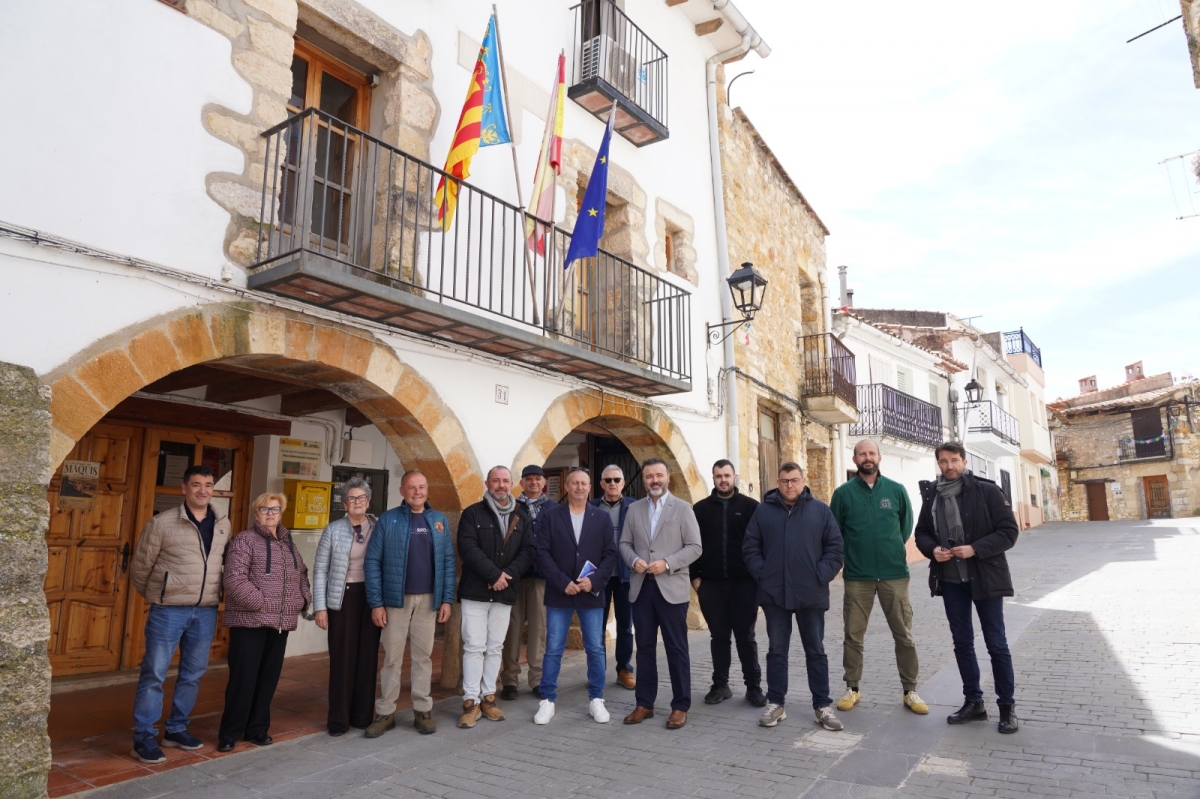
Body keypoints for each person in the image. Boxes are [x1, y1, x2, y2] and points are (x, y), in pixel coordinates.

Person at [915, 441, 1020, 734]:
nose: (949, 466)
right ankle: (974, 702)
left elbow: (1009, 533)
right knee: (962, 643)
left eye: (954, 460)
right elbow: (921, 532)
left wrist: (975, 548)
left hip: (986, 578)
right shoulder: (933, 496)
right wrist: (933, 549)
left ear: (964, 462)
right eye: (943, 461)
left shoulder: (986, 491)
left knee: (996, 643)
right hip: (950, 581)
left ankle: (1007, 707)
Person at [128, 465, 232, 763]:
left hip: (206, 610)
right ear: (184, 488)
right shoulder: (162, 523)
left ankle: (175, 729)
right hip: (168, 610)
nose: (203, 490)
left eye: (208, 484)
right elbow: (140, 568)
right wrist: (159, 595)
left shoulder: (223, 524)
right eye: (196, 484)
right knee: (154, 674)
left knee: (193, 675)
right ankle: (143, 736)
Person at [744, 462, 844, 732]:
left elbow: (835, 548)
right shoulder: (763, 511)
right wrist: (763, 573)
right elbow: (750, 546)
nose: (790, 485)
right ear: (778, 482)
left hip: (810, 593)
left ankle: (822, 705)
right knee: (777, 651)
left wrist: (819, 575)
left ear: (803, 480)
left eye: (794, 480)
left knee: (816, 651)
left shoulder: (820, 511)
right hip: (774, 594)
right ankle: (776, 703)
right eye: (785, 480)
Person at [829, 439, 926, 716]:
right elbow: (835, 532)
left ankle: (910, 690)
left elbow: (905, 526)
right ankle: (852, 688)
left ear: (879, 457)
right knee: (853, 635)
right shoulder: (843, 494)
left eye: (871, 453)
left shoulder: (896, 490)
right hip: (858, 577)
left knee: (904, 635)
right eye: (862, 453)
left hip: (894, 575)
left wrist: (891, 548)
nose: (867, 457)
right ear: (855, 459)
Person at [364, 469, 456, 737]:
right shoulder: (389, 520)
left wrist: (447, 599)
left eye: (422, 487)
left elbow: (448, 561)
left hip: (428, 600)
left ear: (427, 490)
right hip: (395, 600)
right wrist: (376, 603)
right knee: (392, 658)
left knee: (423, 657)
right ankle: (385, 712)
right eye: (412, 487)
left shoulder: (438, 520)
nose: (417, 492)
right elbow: (372, 561)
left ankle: (422, 709)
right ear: (402, 492)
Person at [217, 492, 312, 751]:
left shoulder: (288, 543)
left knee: (268, 678)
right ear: (255, 513)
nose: (270, 514)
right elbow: (234, 579)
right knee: (243, 679)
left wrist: (303, 599)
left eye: (275, 509)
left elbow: (301, 573)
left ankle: (257, 729)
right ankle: (229, 732)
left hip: (280, 623)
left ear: (281, 513)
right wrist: (261, 604)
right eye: (264, 509)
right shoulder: (244, 540)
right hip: (250, 622)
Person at [619, 458, 702, 730]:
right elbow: (624, 543)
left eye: (659, 475)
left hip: (671, 588)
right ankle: (644, 703)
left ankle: (680, 706)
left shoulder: (683, 508)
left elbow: (694, 547)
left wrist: (667, 563)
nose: (654, 480)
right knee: (643, 648)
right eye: (649, 476)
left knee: (676, 649)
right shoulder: (633, 509)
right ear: (643, 480)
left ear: (668, 478)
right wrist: (633, 561)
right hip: (642, 587)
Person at [532, 467, 617, 725]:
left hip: (590, 593)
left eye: (584, 483)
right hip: (561, 593)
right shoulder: (550, 516)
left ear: (591, 487)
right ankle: (547, 699)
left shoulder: (601, 518)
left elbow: (610, 554)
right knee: (554, 648)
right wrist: (561, 582)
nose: (579, 487)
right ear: (567, 487)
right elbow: (542, 552)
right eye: (575, 483)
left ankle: (596, 698)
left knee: (595, 647)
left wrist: (594, 581)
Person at [456, 466, 536, 729]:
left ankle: (488, 698)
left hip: (505, 591)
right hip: (476, 592)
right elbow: (468, 548)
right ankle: (470, 702)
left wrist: (507, 575)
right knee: (474, 647)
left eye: (505, 481)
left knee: (494, 648)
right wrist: (493, 575)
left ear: (512, 484)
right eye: (495, 481)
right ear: (487, 483)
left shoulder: (521, 515)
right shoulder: (472, 513)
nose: (501, 485)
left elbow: (528, 550)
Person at [691, 459, 765, 707]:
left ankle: (753, 687)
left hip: (745, 584)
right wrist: (695, 577)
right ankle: (720, 685)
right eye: (718, 476)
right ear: (713, 478)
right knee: (719, 637)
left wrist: (757, 576)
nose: (723, 479)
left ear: (735, 477)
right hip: (710, 585)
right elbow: (691, 545)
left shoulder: (751, 508)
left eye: (727, 475)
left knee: (746, 637)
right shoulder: (699, 509)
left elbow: (762, 545)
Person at [312, 478, 382, 736]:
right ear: (344, 504)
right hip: (343, 599)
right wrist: (320, 607)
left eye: (361, 498)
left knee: (367, 657)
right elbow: (320, 570)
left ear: (368, 501)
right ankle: (338, 720)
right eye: (351, 499)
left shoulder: (378, 526)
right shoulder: (333, 530)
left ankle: (363, 716)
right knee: (342, 659)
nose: (357, 503)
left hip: (372, 598)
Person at [501, 465, 557, 700]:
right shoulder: (511, 506)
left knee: (538, 629)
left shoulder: (553, 509)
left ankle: (536, 679)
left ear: (543, 482)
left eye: (538, 479)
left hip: (541, 577)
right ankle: (510, 680)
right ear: (521, 483)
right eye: (529, 479)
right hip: (515, 575)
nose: (533, 482)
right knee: (512, 629)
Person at [591, 464, 636, 691]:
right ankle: (597, 671)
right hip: (598, 577)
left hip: (625, 576)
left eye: (616, 480)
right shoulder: (590, 507)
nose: (612, 484)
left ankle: (624, 669)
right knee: (596, 626)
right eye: (607, 480)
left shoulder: (635, 507)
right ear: (601, 484)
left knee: (625, 627)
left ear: (623, 482)